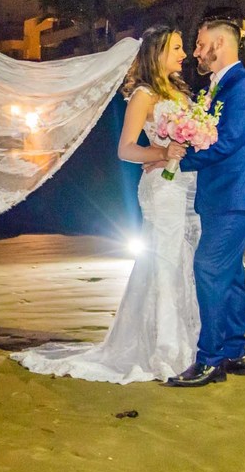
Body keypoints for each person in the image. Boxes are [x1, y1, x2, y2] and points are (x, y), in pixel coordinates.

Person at [10, 25, 201, 383]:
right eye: (176, 47)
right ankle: (166, 351)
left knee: (181, 261)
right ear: (158, 52)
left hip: (187, 186)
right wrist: (161, 151)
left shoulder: (179, 92)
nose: (184, 54)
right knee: (164, 264)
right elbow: (126, 148)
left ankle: (184, 344)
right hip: (162, 188)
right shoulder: (144, 95)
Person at [163, 19, 245, 388]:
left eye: (200, 43)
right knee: (230, 274)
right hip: (218, 195)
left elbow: (227, 142)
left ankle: (209, 360)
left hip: (238, 194)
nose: (195, 51)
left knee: (208, 267)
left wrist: (177, 162)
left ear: (220, 43)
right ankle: (234, 351)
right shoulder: (216, 88)